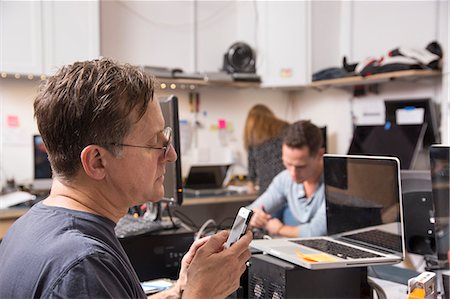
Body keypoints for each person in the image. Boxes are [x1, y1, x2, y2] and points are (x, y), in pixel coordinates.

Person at [0, 58, 252, 298]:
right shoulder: (83, 266)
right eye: (156, 143)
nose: (171, 155)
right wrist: (202, 294)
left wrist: (183, 289)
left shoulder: (32, 225)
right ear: (97, 161)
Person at [248, 120, 326, 238]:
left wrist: (279, 229)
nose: (293, 173)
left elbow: (315, 232)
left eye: (301, 166)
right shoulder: (285, 179)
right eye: (288, 164)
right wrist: (254, 216)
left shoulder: (337, 186)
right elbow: (247, 212)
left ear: (320, 155)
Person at [244, 104, 289, 195]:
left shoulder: (254, 136)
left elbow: (251, 169)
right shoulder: (285, 127)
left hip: (267, 191)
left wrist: (250, 184)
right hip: (289, 186)